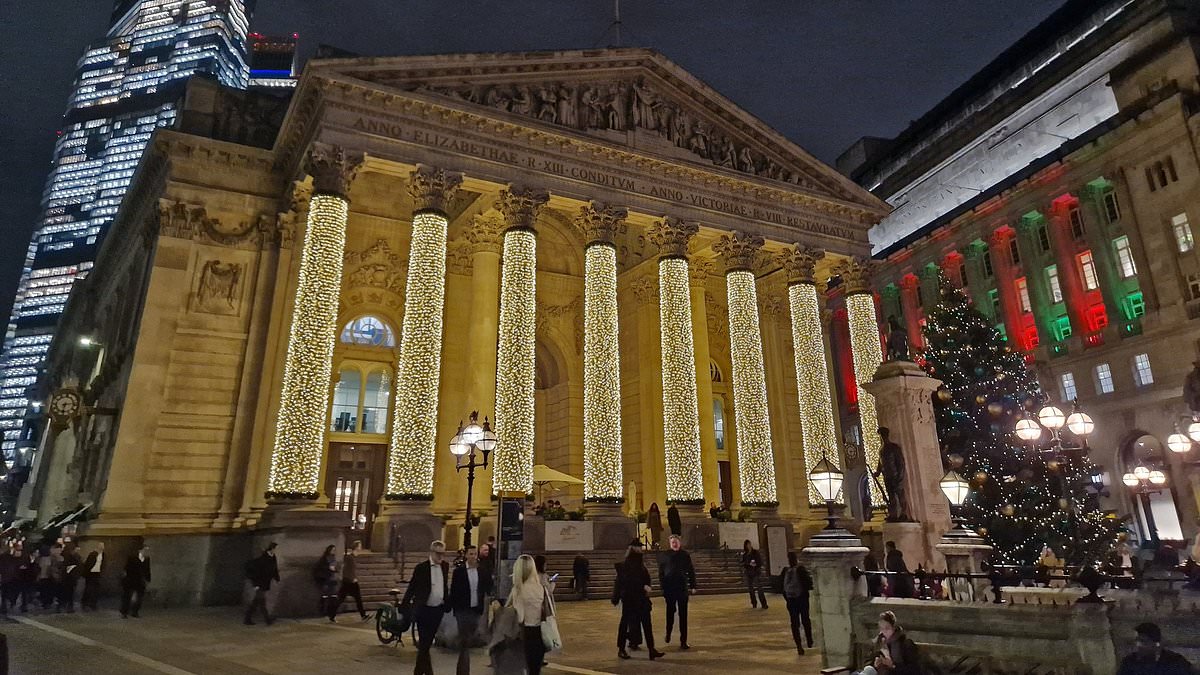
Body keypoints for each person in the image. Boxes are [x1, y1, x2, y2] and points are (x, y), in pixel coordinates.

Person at [401, 540, 451, 675]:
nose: (441, 556)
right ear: (432, 552)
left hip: (437, 610)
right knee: (424, 643)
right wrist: (405, 604)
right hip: (424, 610)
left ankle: (419, 671)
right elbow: (412, 587)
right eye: (438, 553)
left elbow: (444, 586)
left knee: (426, 644)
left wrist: (447, 602)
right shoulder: (421, 568)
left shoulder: (445, 566)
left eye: (443, 553)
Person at [613, 540, 663, 660]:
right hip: (630, 599)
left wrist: (647, 585)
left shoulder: (639, 562)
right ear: (634, 548)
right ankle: (621, 649)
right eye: (639, 547)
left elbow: (645, 577)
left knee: (647, 624)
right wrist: (643, 586)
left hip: (641, 599)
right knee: (625, 623)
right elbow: (627, 581)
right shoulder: (628, 564)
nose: (641, 549)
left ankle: (651, 649)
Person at [506, 554, 554, 675]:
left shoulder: (518, 590)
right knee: (535, 669)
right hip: (539, 632)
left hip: (524, 634)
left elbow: (519, 616)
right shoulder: (540, 587)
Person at [450, 545, 494, 675]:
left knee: (468, 640)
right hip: (462, 610)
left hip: (475, 610)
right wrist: (454, 608)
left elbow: (488, 587)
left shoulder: (482, 571)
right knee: (465, 640)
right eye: (471, 554)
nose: (473, 557)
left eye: (475, 554)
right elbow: (454, 591)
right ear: (466, 555)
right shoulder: (459, 572)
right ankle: (463, 670)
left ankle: (463, 667)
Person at [854, 610, 921, 675]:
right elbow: (870, 660)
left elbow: (914, 670)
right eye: (881, 628)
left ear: (893, 627)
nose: (884, 632)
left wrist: (893, 665)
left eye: (887, 628)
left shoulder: (905, 644)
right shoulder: (880, 642)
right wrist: (875, 664)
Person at [659, 534, 696, 650]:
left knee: (683, 615)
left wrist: (693, 585)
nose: (674, 544)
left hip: (681, 588)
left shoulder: (685, 555)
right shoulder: (665, 555)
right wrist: (663, 587)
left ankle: (683, 640)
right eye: (672, 542)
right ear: (670, 544)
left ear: (680, 543)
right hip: (670, 588)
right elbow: (661, 572)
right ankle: (668, 632)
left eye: (676, 542)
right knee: (670, 613)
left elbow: (691, 570)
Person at [1117, 622, 1193, 675]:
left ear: (1156, 644)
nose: (1138, 645)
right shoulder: (1129, 662)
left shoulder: (1175, 662)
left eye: (1143, 641)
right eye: (1137, 641)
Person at [782, 551, 814, 654]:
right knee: (805, 619)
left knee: (794, 623)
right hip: (802, 598)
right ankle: (809, 641)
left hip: (791, 600)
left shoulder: (786, 571)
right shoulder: (801, 569)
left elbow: (781, 587)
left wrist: (787, 598)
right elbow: (809, 583)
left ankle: (799, 645)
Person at [244, 542, 280, 625]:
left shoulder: (273, 557)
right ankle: (267, 620)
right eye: (276, 549)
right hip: (260, 583)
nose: (277, 551)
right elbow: (256, 572)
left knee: (257, 601)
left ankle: (247, 618)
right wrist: (256, 584)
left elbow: (274, 569)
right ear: (272, 549)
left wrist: (277, 578)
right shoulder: (263, 559)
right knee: (261, 601)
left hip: (265, 582)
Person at [335, 540, 369, 621]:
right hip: (349, 581)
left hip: (351, 581)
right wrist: (352, 578)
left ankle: (363, 615)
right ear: (356, 547)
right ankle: (332, 614)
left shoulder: (353, 557)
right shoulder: (349, 557)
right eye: (360, 546)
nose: (361, 548)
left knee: (357, 599)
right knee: (341, 599)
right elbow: (346, 569)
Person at [120, 543, 151, 618]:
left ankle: (135, 611)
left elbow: (147, 570)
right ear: (140, 550)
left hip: (140, 581)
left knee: (139, 597)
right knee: (127, 596)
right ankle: (124, 612)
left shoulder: (147, 559)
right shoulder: (132, 558)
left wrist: (148, 579)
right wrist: (125, 578)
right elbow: (126, 568)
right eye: (145, 550)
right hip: (131, 580)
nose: (146, 552)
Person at [741, 539, 768, 608]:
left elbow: (759, 561)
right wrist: (747, 564)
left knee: (759, 588)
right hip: (749, 572)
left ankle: (764, 603)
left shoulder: (755, 552)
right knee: (751, 589)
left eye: (749, 544)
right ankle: (754, 602)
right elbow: (743, 563)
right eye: (747, 545)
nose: (749, 546)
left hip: (756, 572)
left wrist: (755, 564)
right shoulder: (745, 554)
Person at [314, 544, 338, 621]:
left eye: (334, 550)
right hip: (326, 579)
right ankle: (323, 611)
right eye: (332, 550)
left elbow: (335, 567)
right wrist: (328, 568)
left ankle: (331, 614)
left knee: (333, 597)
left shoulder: (333, 558)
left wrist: (335, 569)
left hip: (332, 579)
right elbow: (320, 567)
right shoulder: (324, 558)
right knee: (325, 596)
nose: (334, 551)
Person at [81, 542, 104, 611]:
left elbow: (103, 563)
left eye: (103, 546)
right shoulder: (93, 554)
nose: (102, 547)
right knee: (89, 588)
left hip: (97, 573)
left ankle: (93, 603)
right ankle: (85, 602)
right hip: (91, 573)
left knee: (96, 589)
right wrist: (86, 572)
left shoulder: (103, 555)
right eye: (101, 546)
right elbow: (88, 564)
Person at [60, 542, 82, 612]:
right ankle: (69, 606)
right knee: (70, 592)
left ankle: (66, 605)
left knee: (67, 592)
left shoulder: (65, 556)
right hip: (70, 577)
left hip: (67, 577)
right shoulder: (72, 557)